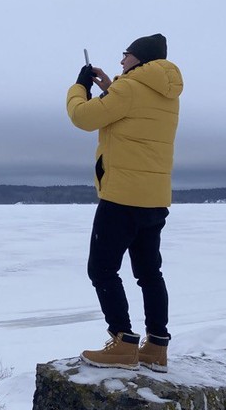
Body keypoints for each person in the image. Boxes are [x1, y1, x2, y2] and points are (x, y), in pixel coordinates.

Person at [65, 33, 183, 371]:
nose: (120, 61)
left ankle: (122, 341)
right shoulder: (166, 95)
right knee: (149, 273)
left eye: (125, 54)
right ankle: (156, 346)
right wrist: (109, 87)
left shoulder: (128, 90)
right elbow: (131, 113)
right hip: (155, 200)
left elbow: (84, 118)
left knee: (101, 269)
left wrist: (79, 87)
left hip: (121, 198)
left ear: (140, 58)